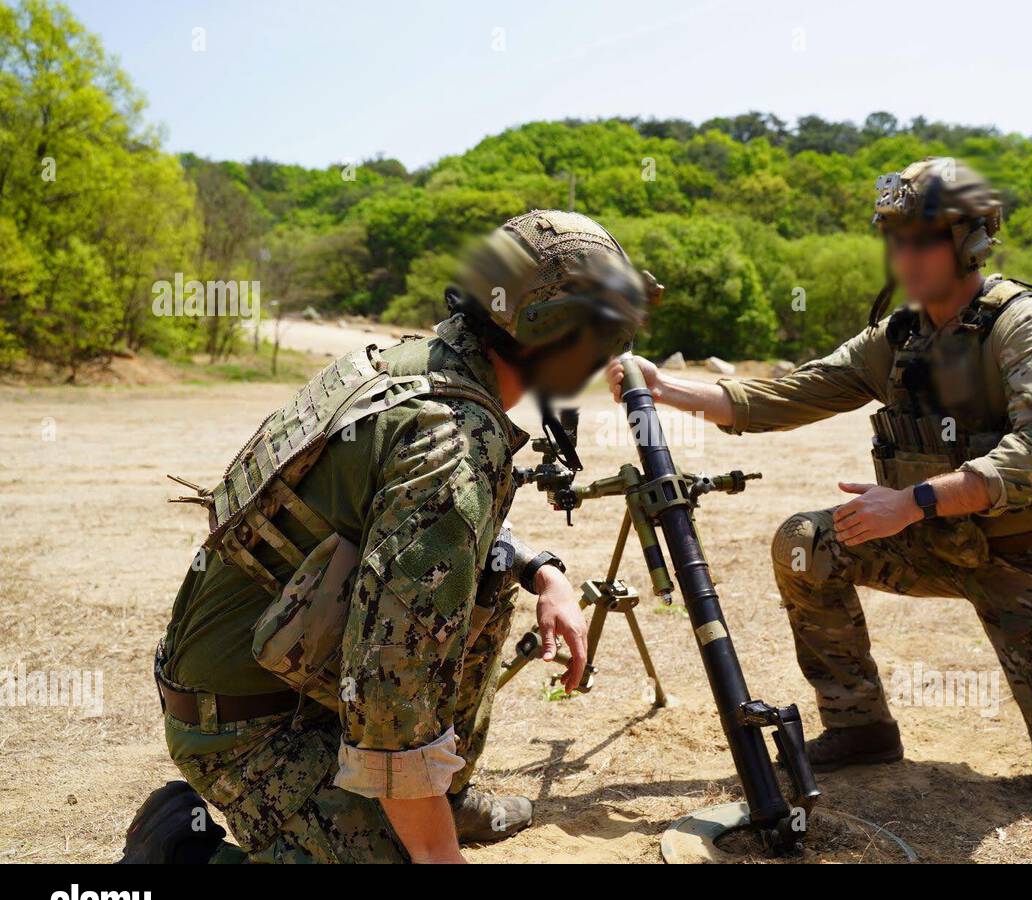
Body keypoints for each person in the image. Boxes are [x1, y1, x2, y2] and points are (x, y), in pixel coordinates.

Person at [606, 159, 1032, 803]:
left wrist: (914, 500)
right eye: (895, 239)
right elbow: (791, 392)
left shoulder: (1022, 325)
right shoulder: (898, 337)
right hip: (934, 541)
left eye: (922, 238)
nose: (905, 254)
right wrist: (666, 386)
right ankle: (859, 725)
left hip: (1028, 558)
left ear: (970, 242)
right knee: (805, 542)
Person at [147, 210, 656, 862]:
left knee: (485, 580)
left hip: (271, 673)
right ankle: (181, 851)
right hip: (247, 725)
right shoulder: (452, 437)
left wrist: (543, 571)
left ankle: (436, 798)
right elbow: (392, 703)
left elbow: (426, 530)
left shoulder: (423, 364)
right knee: (410, 842)